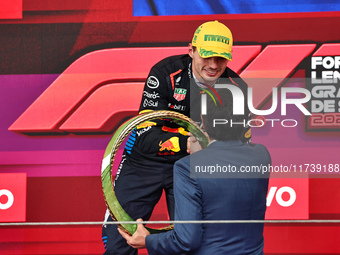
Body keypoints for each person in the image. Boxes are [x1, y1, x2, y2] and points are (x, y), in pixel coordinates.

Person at [102, 20, 250, 254]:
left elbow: (239, 144)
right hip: (143, 162)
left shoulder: (236, 89)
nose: (213, 65)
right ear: (191, 50)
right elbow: (144, 135)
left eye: (220, 58)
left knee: (188, 243)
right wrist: (188, 143)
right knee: (118, 241)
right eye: (206, 56)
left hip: (192, 167)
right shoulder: (165, 73)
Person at [118, 88, 271, 254]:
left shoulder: (187, 167)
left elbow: (186, 240)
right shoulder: (261, 155)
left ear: (203, 122)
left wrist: (148, 241)